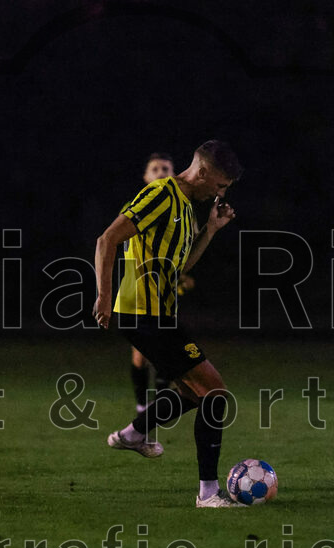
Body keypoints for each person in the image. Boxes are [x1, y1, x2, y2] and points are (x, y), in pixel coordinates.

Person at [94, 140, 242, 508]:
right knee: (215, 393)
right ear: (204, 172)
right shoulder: (161, 194)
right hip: (142, 313)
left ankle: (134, 434)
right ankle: (208, 492)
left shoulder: (187, 209)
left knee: (195, 393)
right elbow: (107, 239)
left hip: (159, 314)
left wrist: (210, 230)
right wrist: (104, 297)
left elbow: (181, 267)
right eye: (220, 186)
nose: (219, 193)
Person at [128, 152, 185, 413]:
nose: (161, 173)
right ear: (145, 176)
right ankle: (143, 405)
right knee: (143, 352)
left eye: (166, 168)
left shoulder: (182, 209)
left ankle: (158, 405)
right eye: (155, 169)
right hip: (139, 288)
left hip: (167, 291)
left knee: (163, 348)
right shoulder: (138, 207)